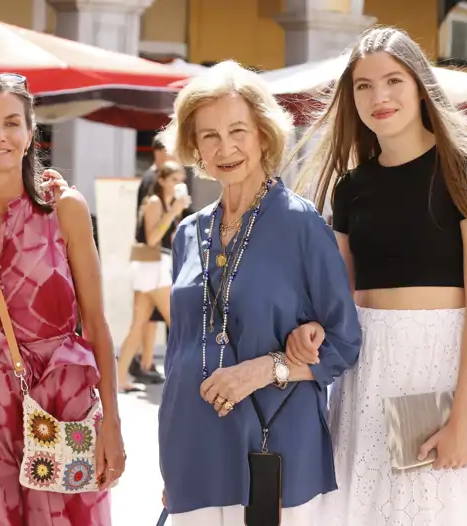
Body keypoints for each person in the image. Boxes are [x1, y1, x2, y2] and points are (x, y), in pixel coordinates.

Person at [291, 26, 467, 525]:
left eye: (393, 80)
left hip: (439, 370)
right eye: (363, 86)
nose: (378, 97)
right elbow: (337, 303)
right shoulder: (349, 189)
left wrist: (464, 418)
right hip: (363, 377)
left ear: (419, 85)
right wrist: (313, 330)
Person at [157, 60, 361, 525]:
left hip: (274, 447)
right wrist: (172, 455)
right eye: (208, 135)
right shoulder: (188, 233)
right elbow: (179, 353)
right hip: (193, 446)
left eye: (237, 131)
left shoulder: (301, 223)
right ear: (193, 146)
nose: (224, 147)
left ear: (264, 135)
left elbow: (344, 344)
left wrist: (263, 369)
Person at [0, 73, 124, 526]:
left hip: (63, 397)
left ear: (31, 134)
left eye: (13, 122)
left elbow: (95, 322)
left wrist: (111, 421)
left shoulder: (63, 209)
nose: (0, 135)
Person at [118, 160, 190, 393]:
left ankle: (119, 379)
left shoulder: (168, 204)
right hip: (152, 266)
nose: (178, 184)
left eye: (181, 180)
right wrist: (174, 212)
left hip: (156, 266)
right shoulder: (156, 202)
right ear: (161, 181)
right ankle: (190, 376)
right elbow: (151, 239)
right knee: (178, 320)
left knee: (139, 325)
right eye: (173, 180)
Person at [132, 133, 175, 384]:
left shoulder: (152, 177)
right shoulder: (154, 180)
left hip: (147, 252)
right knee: (151, 315)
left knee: (146, 315)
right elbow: (152, 231)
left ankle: (143, 362)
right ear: (160, 151)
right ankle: (144, 362)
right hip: (151, 252)